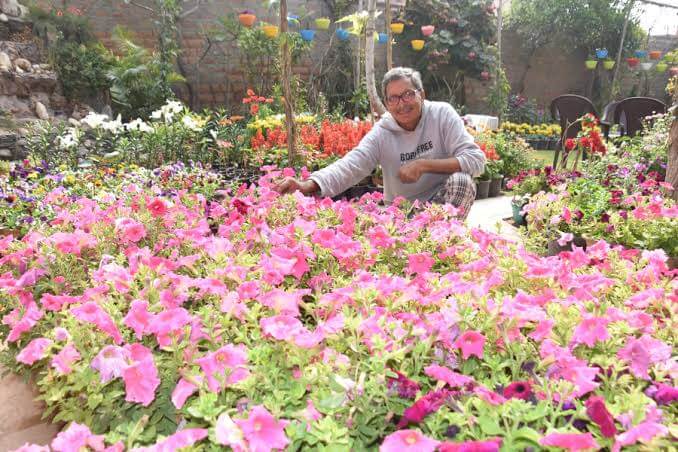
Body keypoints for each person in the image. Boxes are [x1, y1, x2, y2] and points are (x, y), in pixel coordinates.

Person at [274, 67, 485, 219]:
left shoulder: (441, 115)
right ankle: (423, 243)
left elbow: (476, 160)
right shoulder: (383, 131)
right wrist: (306, 185)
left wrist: (423, 164)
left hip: (441, 200)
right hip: (402, 212)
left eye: (408, 95)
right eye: (393, 99)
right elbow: (351, 165)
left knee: (462, 182)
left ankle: (443, 244)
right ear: (386, 104)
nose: (401, 104)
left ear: (422, 95)